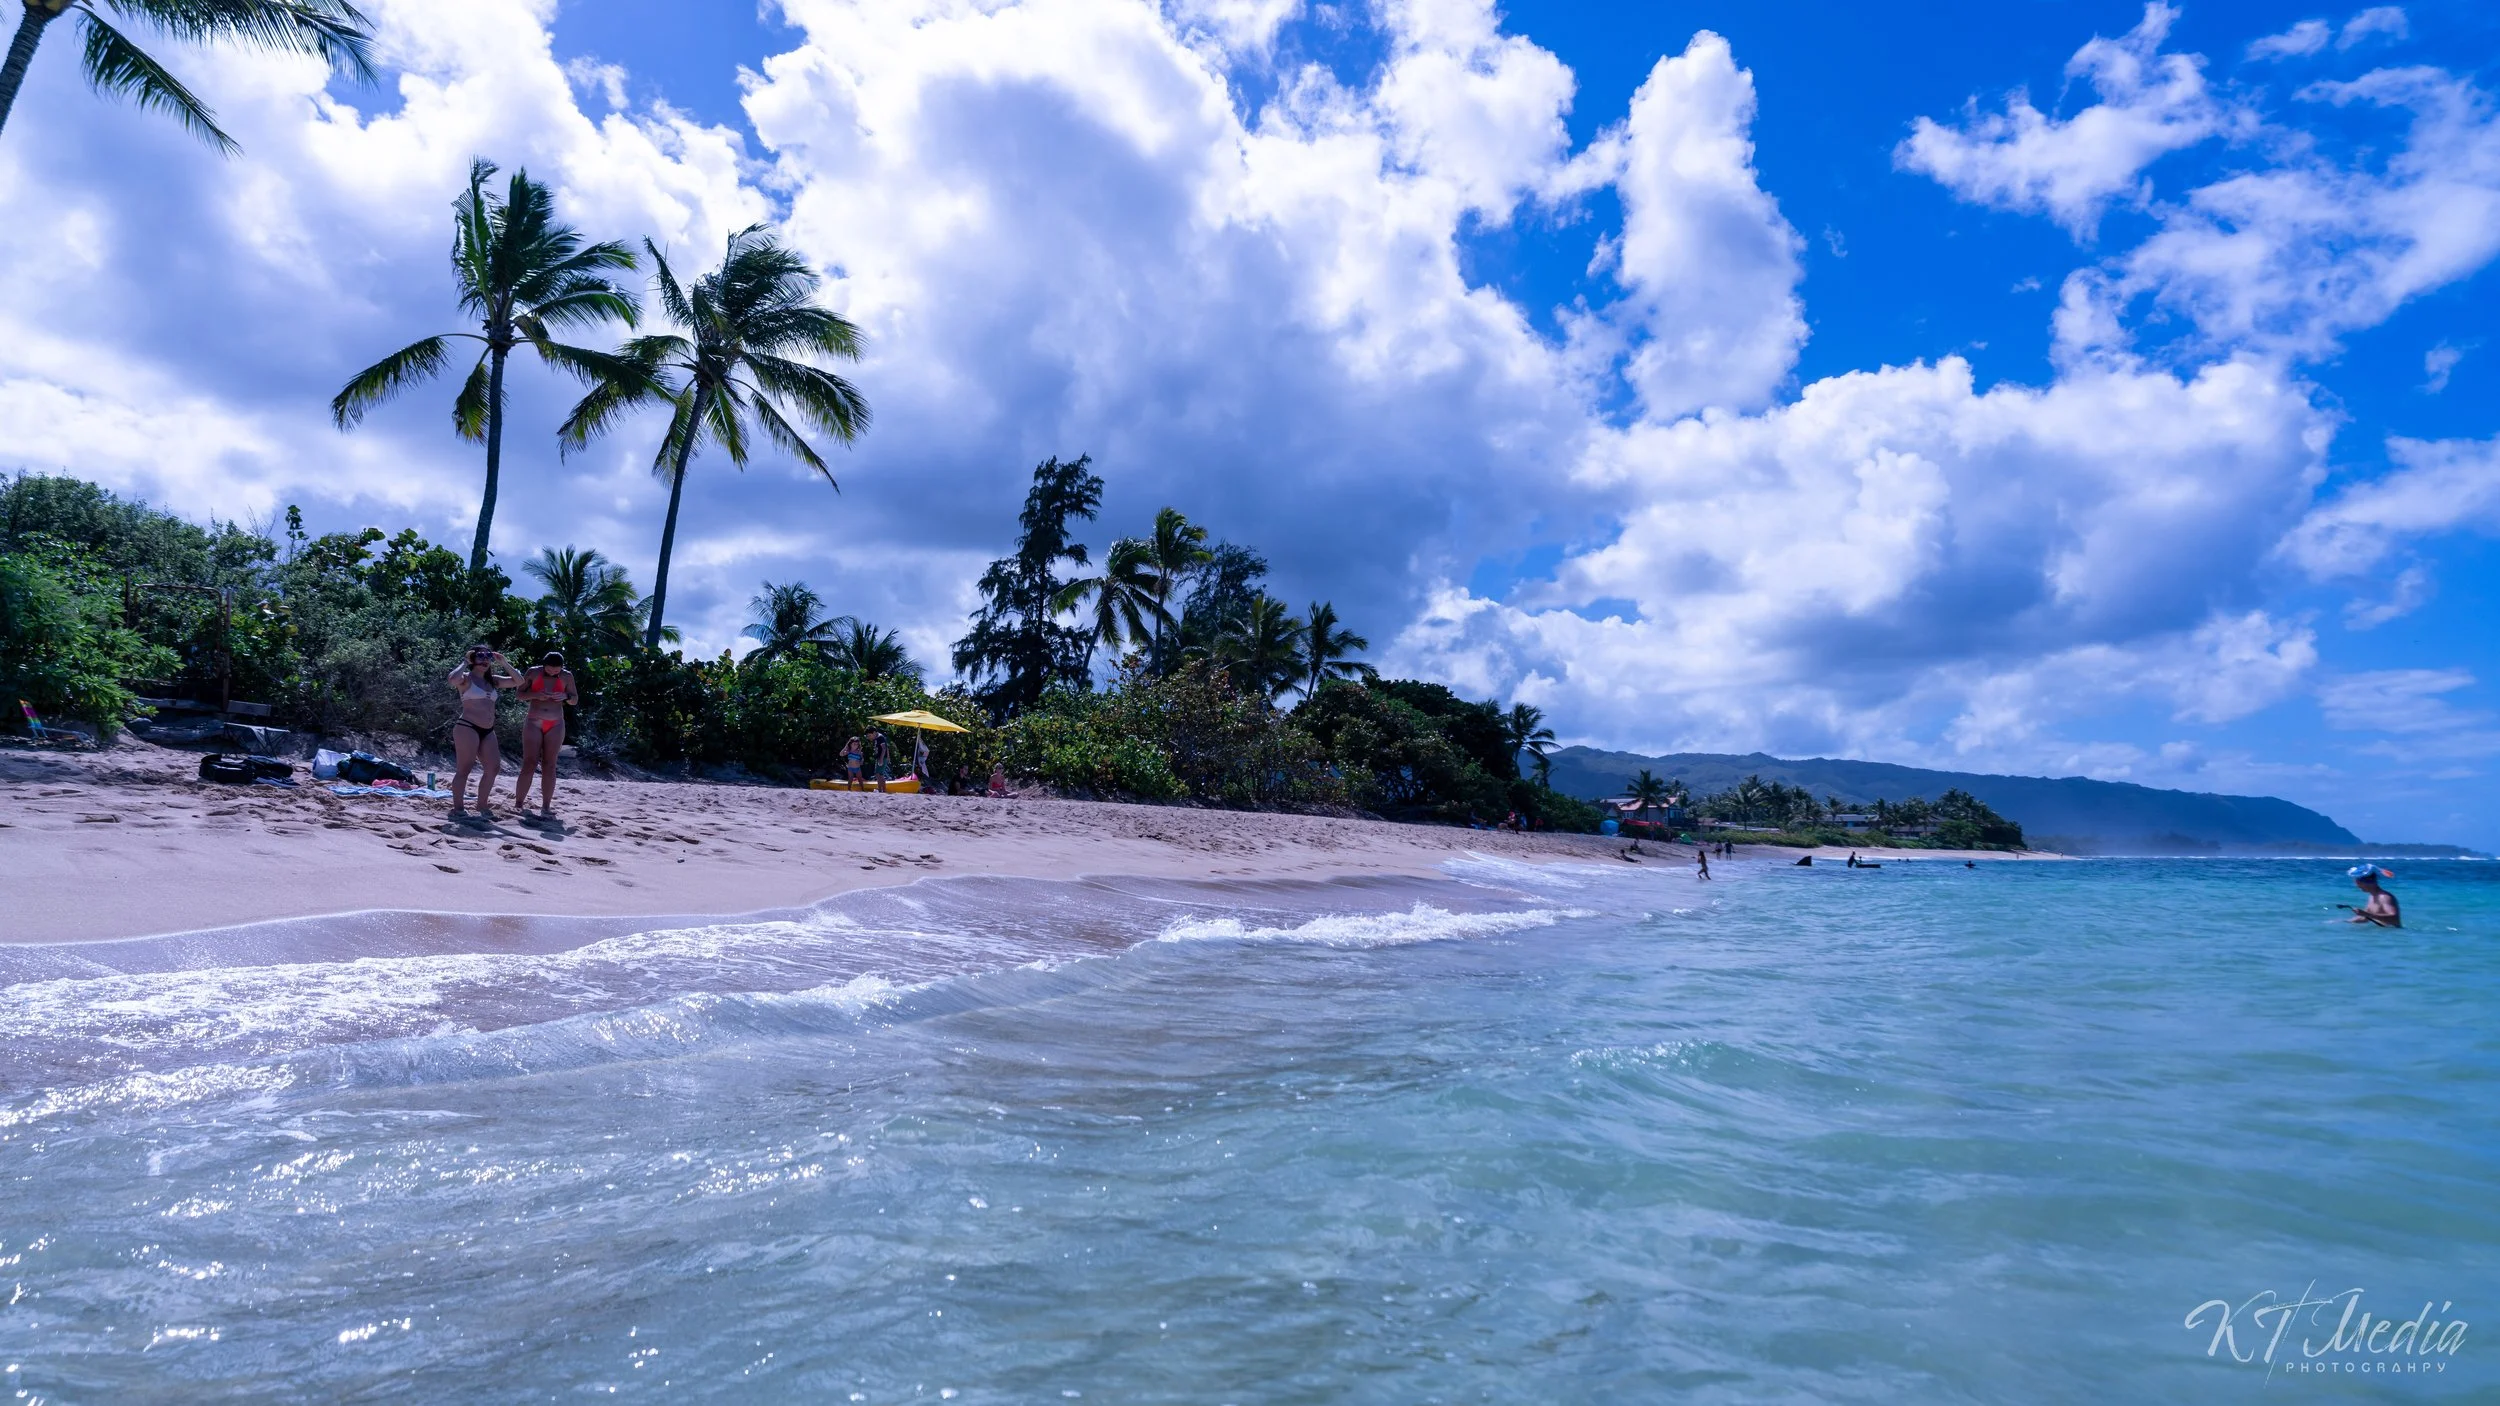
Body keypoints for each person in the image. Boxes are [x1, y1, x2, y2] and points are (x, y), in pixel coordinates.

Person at [445, 646, 520, 821]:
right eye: (480, 656)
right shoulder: (466, 679)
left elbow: (519, 681)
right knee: (465, 768)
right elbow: (452, 679)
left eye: (488, 657)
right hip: (467, 726)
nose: (485, 660)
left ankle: (482, 804)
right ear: (473, 659)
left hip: (488, 730)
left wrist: (504, 662)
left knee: (493, 767)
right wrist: (465, 661)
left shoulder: (493, 680)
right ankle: (458, 808)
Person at [510, 651, 578, 821]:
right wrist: (536, 695)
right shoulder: (533, 672)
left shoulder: (567, 676)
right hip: (534, 720)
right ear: (544, 665)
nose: (554, 673)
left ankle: (546, 805)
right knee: (529, 763)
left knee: (550, 764)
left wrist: (566, 696)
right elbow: (519, 694)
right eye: (550, 669)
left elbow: (575, 699)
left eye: (557, 671)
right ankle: (519, 803)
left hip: (555, 723)